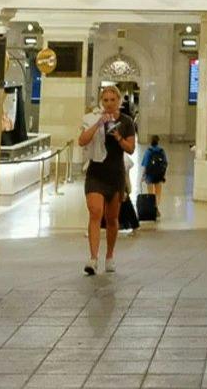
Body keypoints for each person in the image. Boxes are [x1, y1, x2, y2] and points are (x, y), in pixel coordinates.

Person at [78, 84, 136, 275]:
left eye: (113, 100)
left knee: (112, 218)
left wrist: (118, 136)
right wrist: (98, 125)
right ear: (101, 102)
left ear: (119, 101)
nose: (109, 104)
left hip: (115, 174)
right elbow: (82, 140)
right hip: (96, 172)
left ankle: (109, 256)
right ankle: (93, 259)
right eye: (106, 100)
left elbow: (130, 149)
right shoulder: (94, 119)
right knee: (95, 212)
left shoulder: (127, 122)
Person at [140, 134, 167, 204]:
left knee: (150, 194)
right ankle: (157, 207)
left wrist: (143, 176)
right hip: (159, 175)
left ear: (151, 142)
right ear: (158, 141)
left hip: (149, 175)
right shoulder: (161, 151)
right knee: (158, 194)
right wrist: (163, 175)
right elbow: (165, 163)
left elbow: (145, 165)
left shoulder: (148, 151)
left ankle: (151, 207)